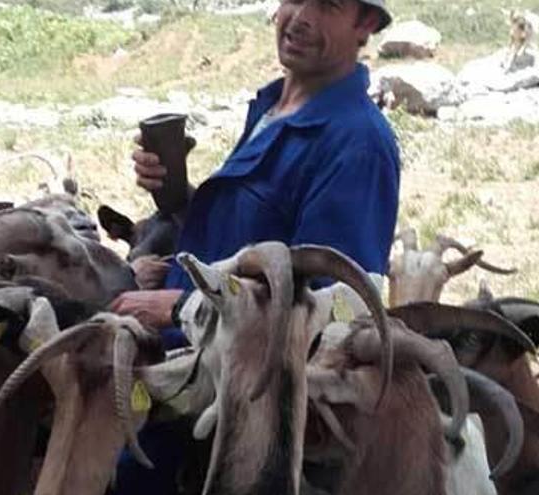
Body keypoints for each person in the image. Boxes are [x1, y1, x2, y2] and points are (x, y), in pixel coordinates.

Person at [109, 0, 400, 492]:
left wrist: (181, 307)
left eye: (326, 5)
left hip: (225, 410)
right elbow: (253, 242)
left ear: (365, 24)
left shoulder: (357, 143)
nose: (300, 17)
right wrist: (176, 197)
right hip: (179, 365)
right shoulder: (277, 107)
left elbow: (335, 309)